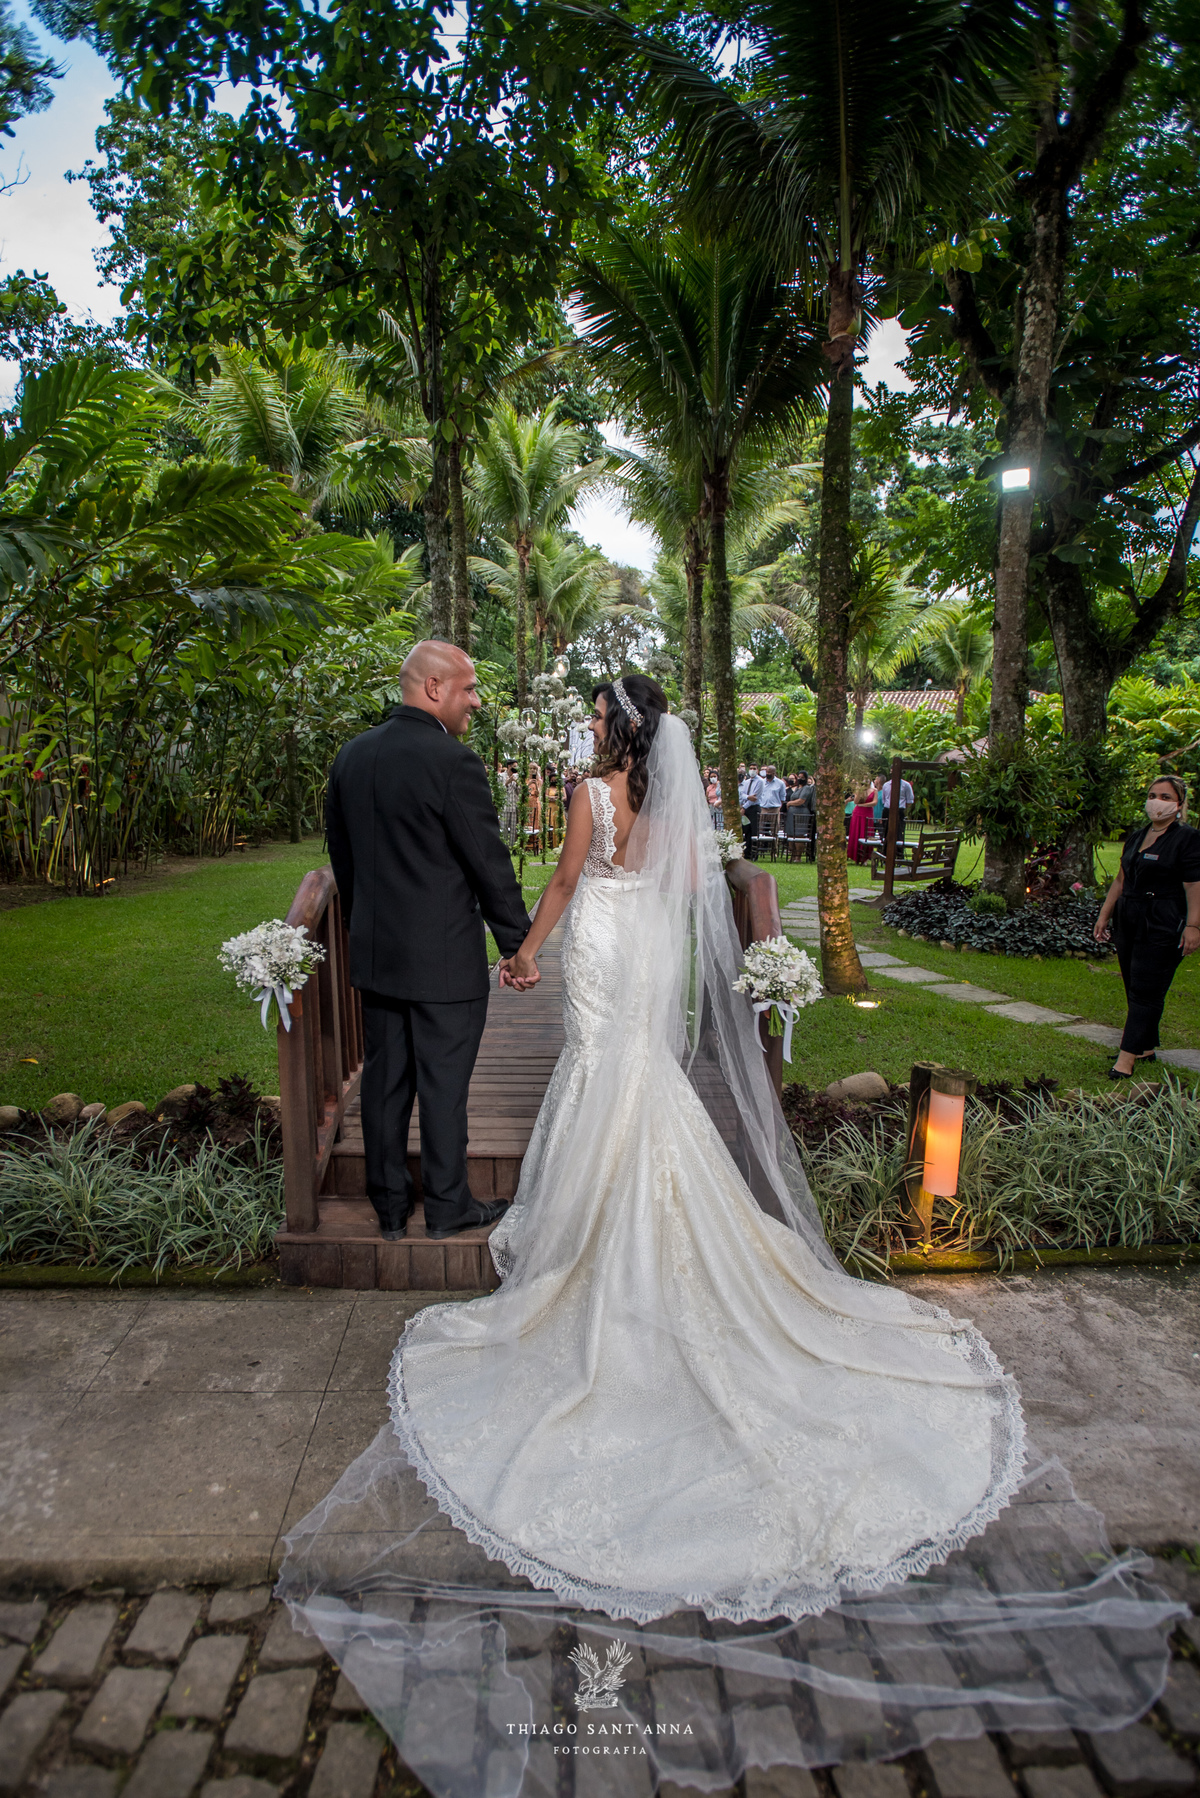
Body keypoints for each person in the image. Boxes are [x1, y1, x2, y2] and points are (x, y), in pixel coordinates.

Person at [287, 674, 1178, 1794]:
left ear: (612, 729)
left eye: (597, 719)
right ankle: (667, 1225)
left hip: (601, 944)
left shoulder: (588, 794)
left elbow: (566, 878)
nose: (592, 733)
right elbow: (691, 888)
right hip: (650, 951)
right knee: (642, 1076)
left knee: (597, 1069)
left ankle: (599, 1237)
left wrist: (527, 951)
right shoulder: (672, 799)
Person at [324, 641, 532, 1243]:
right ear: (435, 688)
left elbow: (345, 862)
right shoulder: (452, 762)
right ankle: (447, 1208)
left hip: (376, 954)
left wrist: (363, 929)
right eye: (468, 688)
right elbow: (488, 864)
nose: (475, 701)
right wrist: (517, 945)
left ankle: (389, 1207)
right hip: (442, 962)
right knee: (443, 1084)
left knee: (386, 1082)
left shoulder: (352, 756)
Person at [1094, 775, 1200, 1078]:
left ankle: (1125, 1060)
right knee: (1132, 981)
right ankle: (1145, 1046)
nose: (1157, 802)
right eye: (1153, 795)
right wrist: (1105, 914)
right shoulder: (1138, 836)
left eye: (1165, 797)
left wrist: (1194, 926)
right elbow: (1120, 878)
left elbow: (1194, 885)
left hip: (1163, 919)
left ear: (1179, 804)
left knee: (1146, 988)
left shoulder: (1187, 838)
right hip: (1129, 915)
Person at [879, 769, 915, 845]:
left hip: (899, 811)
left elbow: (909, 801)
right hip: (887, 810)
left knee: (899, 833)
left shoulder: (906, 785)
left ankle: (899, 853)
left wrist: (901, 809)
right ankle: (885, 852)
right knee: (886, 832)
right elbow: (884, 800)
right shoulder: (886, 785)